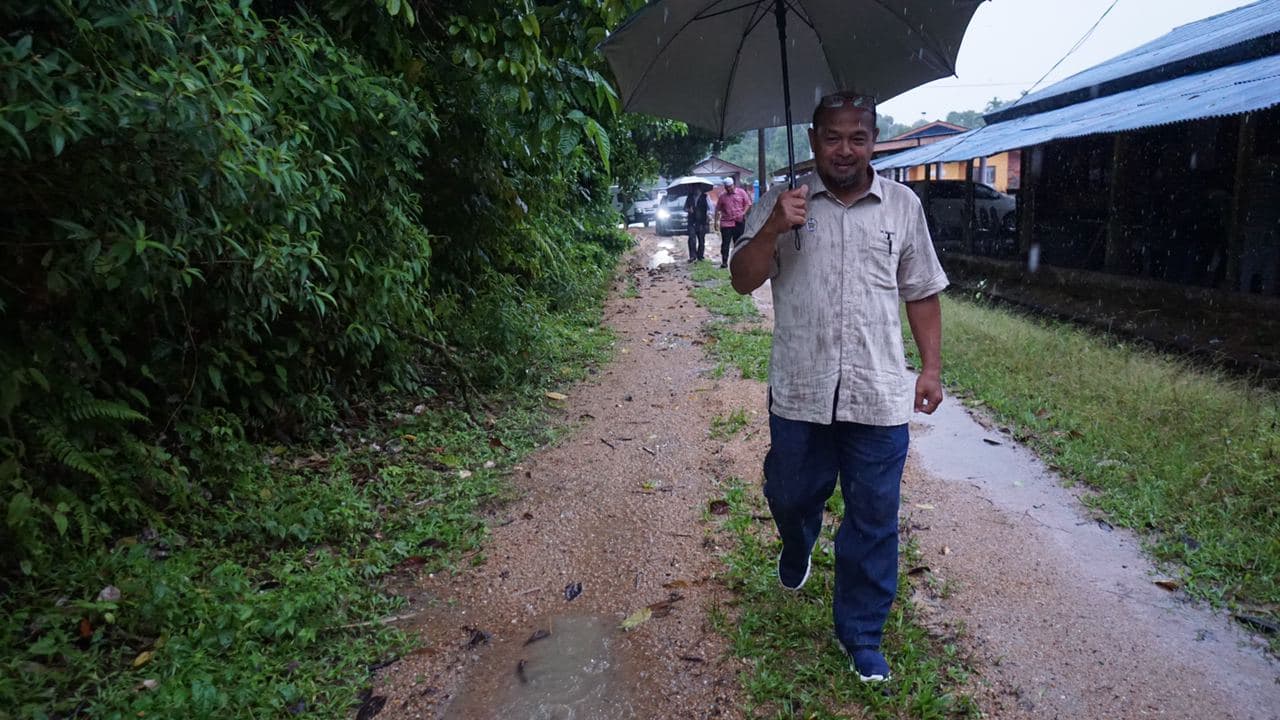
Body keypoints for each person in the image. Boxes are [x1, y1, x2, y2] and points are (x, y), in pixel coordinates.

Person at [727, 92, 947, 684]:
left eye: (858, 137)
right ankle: (796, 539)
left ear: (873, 140)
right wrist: (774, 226)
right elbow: (741, 281)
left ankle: (862, 634)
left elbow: (921, 288)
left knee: (874, 516)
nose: (845, 149)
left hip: (877, 394)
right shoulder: (783, 200)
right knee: (791, 490)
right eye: (832, 137)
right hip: (800, 390)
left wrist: (931, 367)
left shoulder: (902, 206)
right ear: (814, 140)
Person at [714, 176, 752, 267]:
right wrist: (716, 222)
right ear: (725, 187)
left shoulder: (741, 192)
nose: (729, 189)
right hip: (726, 222)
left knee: (739, 242)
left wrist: (743, 213)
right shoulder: (722, 197)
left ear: (733, 185)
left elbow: (748, 204)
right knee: (725, 243)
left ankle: (738, 261)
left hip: (739, 221)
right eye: (727, 187)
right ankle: (724, 262)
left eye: (730, 187)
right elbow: (717, 209)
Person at [684, 186, 711, 262]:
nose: (696, 190)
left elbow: (710, 208)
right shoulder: (689, 197)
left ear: (701, 189)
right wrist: (689, 209)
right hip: (691, 221)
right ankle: (692, 256)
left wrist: (708, 215)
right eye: (695, 188)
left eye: (698, 188)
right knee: (692, 238)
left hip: (702, 221)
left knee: (701, 239)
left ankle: (700, 256)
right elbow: (684, 208)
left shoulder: (705, 197)